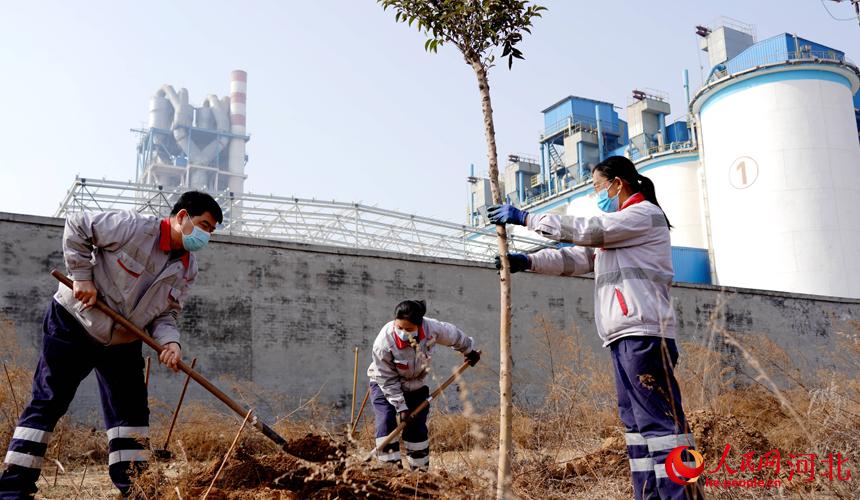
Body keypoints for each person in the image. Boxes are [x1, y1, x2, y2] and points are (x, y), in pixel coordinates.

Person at [489, 156, 703, 500]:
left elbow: (589, 230)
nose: (597, 195)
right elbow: (576, 257)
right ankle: (647, 495)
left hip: (645, 334)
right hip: (623, 336)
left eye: (598, 187)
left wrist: (527, 218)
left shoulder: (643, 215)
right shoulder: (618, 230)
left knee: (663, 427)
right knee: (635, 427)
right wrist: (527, 261)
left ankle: (683, 495)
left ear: (618, 183)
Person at [0, 191, 222, 499]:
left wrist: (170, 343)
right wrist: (82, 277)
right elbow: (78, 225)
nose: (205, 235)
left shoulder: (187, 268)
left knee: (130, 415)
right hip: (75, 323)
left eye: (211, 230)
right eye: (203, 224)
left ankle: (135, 489)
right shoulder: (133, 227)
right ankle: (13, 490)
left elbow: (166, 314)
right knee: (49, 401)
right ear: (182, 217)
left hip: (122, 340)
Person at [367, 299, 480, 470]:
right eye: (400, 328)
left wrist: (469, 350)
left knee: (416, 426)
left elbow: (454, 336)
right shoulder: (384, 342)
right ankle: (389, 472)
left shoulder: (432, 329)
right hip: (385, 385)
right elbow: (386, 378)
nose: (403, 332)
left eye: (409, 329)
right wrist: (401, 407)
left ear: (419, 325)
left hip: (415, 385)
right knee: (386, 422)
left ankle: (419, 475)